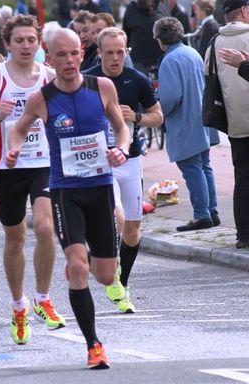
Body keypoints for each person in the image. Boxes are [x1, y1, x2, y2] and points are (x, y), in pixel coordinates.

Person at [6, 27, 130, 369]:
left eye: (74, 53)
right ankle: (94, 346)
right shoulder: (42, 99)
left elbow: (121, 128)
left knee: (104, 276)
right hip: (65, 192)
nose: (70, 61)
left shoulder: (102, 87)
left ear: (82, 53)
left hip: (100, 187)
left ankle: (86, 260)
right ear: (50, 56)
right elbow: (18, 129)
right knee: (78, 267)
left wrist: (121, 149)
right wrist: (14, 149)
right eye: (61, 55)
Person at [0, 15, 66, 346]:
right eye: (19, 40)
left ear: (40, 43)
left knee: (46, 227)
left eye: (31, 40)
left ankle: (43, 297)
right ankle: (18, 305)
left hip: (43, 164)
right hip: (7, 169)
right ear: (8, 44)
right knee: (15, 240)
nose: (25, 46)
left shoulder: (50, 78)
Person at [85, 27, 164, 313]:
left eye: (121, 52)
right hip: (99, 161)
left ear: (126, 51)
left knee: (132, 230)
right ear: (100, 52)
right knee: (114, 217)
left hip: (130, 161)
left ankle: (122, 283)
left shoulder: (137, 79)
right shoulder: (88, 79)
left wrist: (139, 116)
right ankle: (105, 261)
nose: (116, 58)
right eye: (110, 52)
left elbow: (158, 116)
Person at [155, 17, 220, 231]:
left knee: (192, 169)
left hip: (184, 122)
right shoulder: (192, 53)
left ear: (160, 39)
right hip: (202, 118)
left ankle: (201, 215)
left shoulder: (169, 60)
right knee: (204, 166)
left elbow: (170, 98)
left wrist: (157, 111)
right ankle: (211, 210)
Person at [205, 0, 249, 248]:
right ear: (244, 11)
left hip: (235, 121)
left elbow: (209, 77)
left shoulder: (214, 42)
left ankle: (243, 234)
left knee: (242, 178)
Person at [122, 0, 170, 75]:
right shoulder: (131, 10)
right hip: (139, 63)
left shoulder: (161, 8)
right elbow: (126, 35)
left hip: (161, 61)